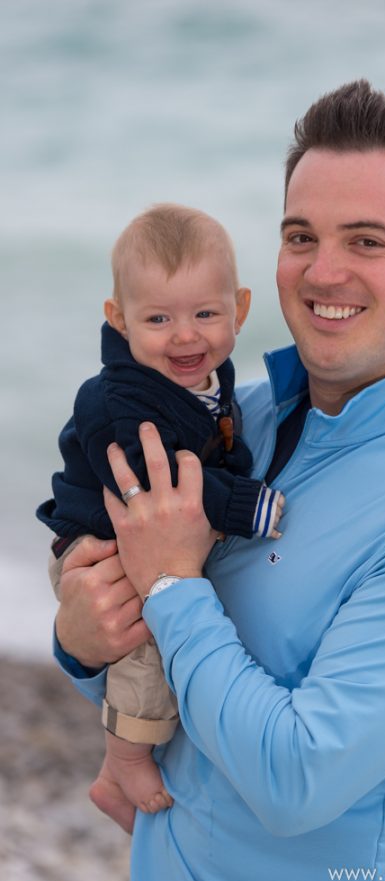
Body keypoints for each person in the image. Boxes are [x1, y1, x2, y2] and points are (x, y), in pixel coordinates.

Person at [52, 81, 385, 881]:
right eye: (300, 234)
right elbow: (137, 662)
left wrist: (172, 583)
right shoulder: (239, 420)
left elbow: (295, 782)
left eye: (368, 241)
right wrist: (79, 638)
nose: (323, 270)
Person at [37, 202, 284, 834]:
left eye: (206, 313)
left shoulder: (200, 375)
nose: (185, 336)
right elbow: (167, 489)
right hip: (96, 541)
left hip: (128, 528)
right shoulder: (127, 401)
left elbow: (212, 443)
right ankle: (124, 761)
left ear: (241, 308)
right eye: (158, 319)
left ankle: (119, 760)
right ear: (119, 320)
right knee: (146, 644)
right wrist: (245, 506)